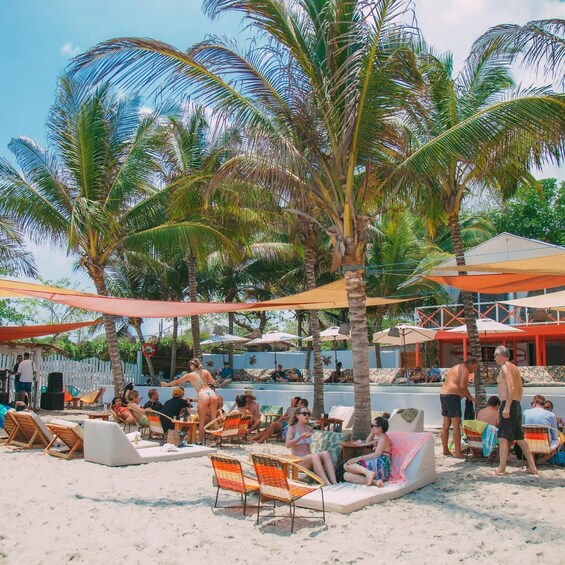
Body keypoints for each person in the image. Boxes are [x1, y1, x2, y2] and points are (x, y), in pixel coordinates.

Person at [494, 345, 537, 475]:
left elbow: (511, 387)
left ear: (501, 355)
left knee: (502, 437)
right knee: (519, 437)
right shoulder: (514, 368)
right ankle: (532, 466)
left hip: (509, 403)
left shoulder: (505, 367)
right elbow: (519, 388)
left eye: (495, 355)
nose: (494, 358)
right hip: (516, 403)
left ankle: (501, 468)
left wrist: (507, 407)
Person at [161, 358, 218, 444]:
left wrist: (166, 384)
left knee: (201, 421)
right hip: (212, 393)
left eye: (190, 364)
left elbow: (177, 382)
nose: (189, 366)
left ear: (194, 365)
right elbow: (214, 382)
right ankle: (218, 439)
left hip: (203, 395)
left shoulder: (190, 375)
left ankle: (200, 441)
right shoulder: (205, 371)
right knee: (214, 419)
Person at [285, 407, 337, 485]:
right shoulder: (292, 428)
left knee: (325, 453)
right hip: (298, 462)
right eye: (304, 414)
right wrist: (301, 436)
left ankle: (334, 482)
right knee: (314, 456)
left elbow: (317, 424)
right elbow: (288, 444)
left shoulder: (309, 428)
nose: (307, 416)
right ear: (297, 416)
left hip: (310, 461)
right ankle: (326, 483)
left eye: (308, 414)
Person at [439, 357, 478, 458]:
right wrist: (470, 397)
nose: (475, 369)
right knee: (457, 425)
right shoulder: (465, 369)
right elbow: (462, 386)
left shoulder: (456, 367)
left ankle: (445, 450)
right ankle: (458, 452)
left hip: (443, 394)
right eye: (475, 366)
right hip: (452, 396)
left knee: (446, 424)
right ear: (471, 364)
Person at [344, 417, 392, 487]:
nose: (371, 428)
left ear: (380, 428)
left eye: (372, 426)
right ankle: (375, 482)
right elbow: (367, 442)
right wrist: (373, 432)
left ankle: (368, 473)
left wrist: (358, 458)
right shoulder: (379, 439)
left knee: (346, 465)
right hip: (377, 465)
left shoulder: (383, 437)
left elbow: (377, 454)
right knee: (346, 475)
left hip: (381, 465)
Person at [522, 395, 560, 463]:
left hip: (529, 443)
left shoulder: (525, 412)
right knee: (559, 440)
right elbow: (554, 435)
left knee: (531, 437)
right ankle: (542, 460)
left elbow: (522, 428)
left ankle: (532, 460)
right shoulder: (551, 415)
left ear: (535, 403)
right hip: (545, 444)